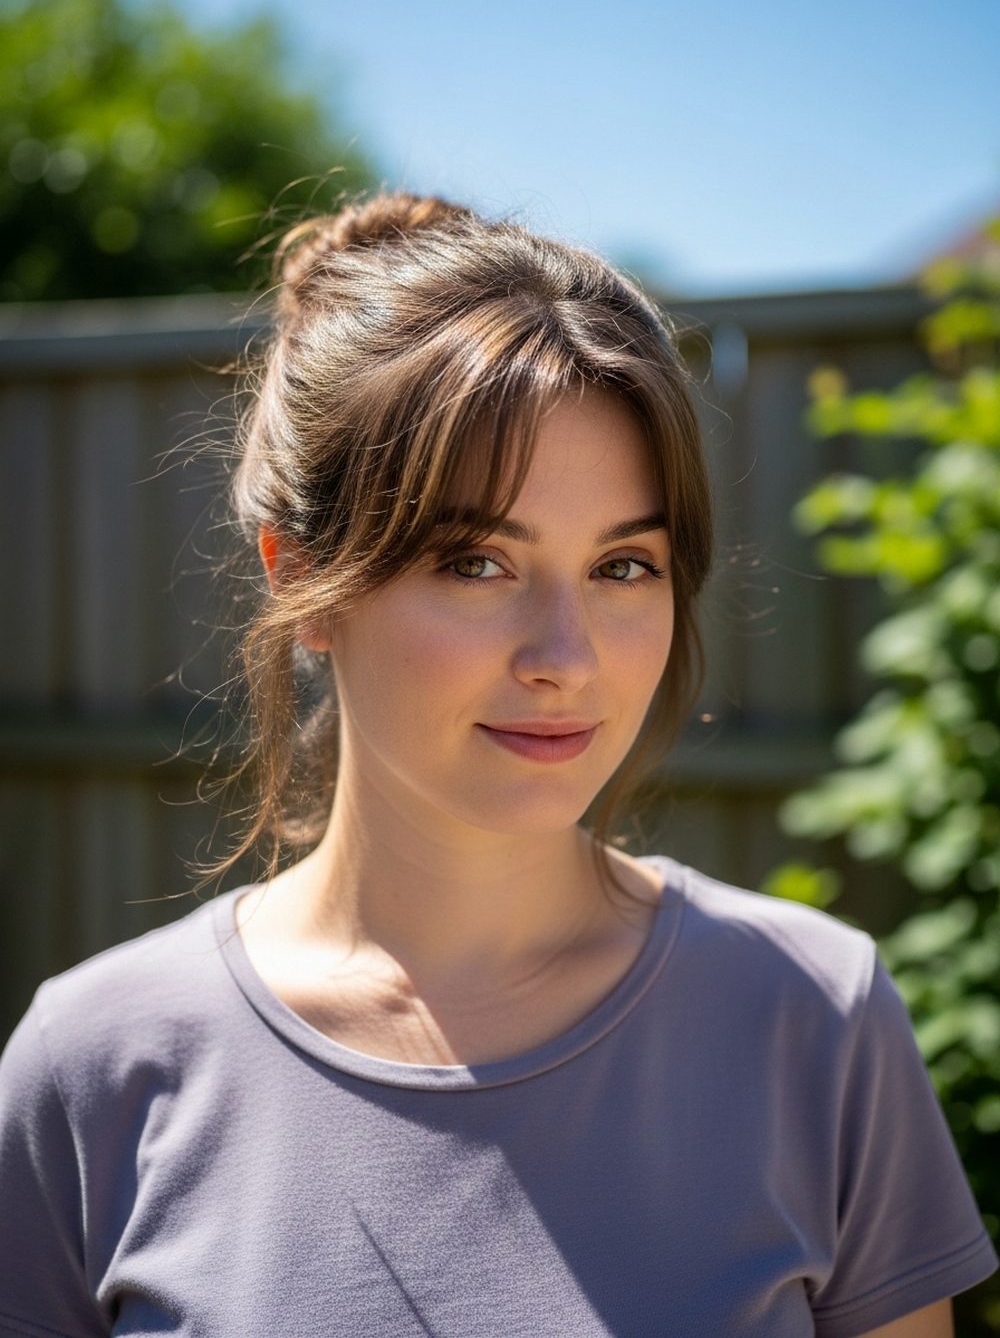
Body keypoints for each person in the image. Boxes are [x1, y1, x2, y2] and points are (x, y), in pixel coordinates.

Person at [0, 191, 995, 1338]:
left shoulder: (816, 1019)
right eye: (475, 562)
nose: (565, 659)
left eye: (622, 567)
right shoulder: (92, 1068)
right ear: (300, 579)